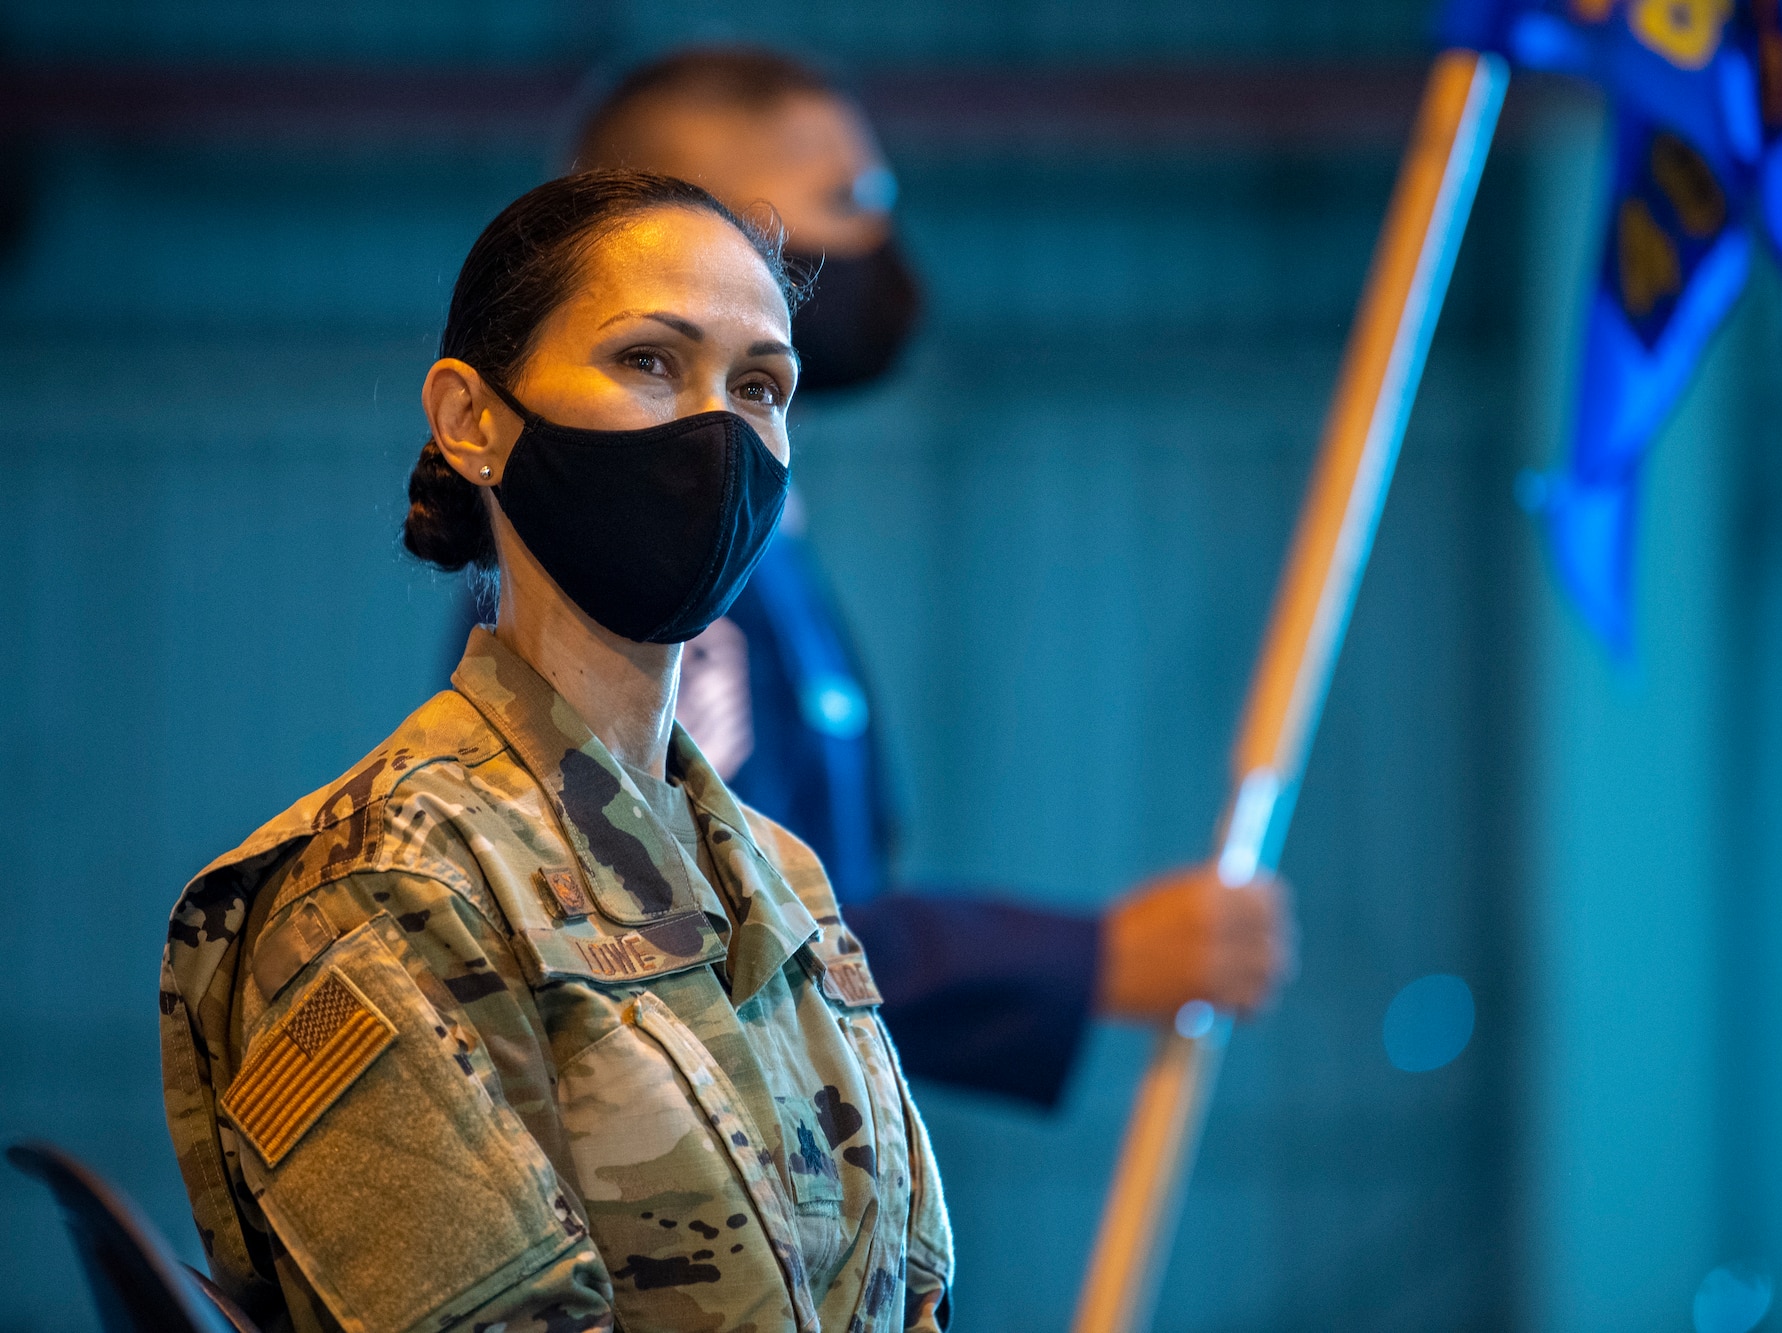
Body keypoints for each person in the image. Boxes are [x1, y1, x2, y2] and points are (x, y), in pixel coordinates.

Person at [161, 172, 951, 1333]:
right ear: (472, 421)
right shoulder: (383, 886)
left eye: (760, 385)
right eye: (647, 361)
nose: (719, 430)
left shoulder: (782, 879)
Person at [566, 48, 1295, 1107]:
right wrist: (1085, 959)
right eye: (849, 197)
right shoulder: (647, 565)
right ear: (702, 241)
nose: (878, 234)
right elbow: (712, 923)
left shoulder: (753, 540)